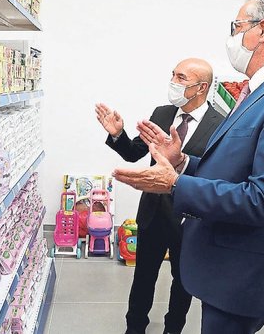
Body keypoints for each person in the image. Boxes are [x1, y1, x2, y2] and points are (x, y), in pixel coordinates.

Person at [114, 0, 264, 334]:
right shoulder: (260, 90)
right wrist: (182, 162)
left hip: (244, 269)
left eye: (236, 26)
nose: (232, 37)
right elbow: (233, 169)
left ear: (262, 30)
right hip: (225, 259)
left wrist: (175, 184)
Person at [95, 58, 223, 334]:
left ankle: (173, 328)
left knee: (183, 281)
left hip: (190, 218)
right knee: (143, 275)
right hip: (154, 212)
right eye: (173, 75)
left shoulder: (221, 124)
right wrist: (118, 135)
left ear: (201, 87)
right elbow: (134, 153)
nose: (173, 82)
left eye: (181, 78)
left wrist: (181, 161)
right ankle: (135, 326)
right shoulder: (162, 113)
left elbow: (216, 174)